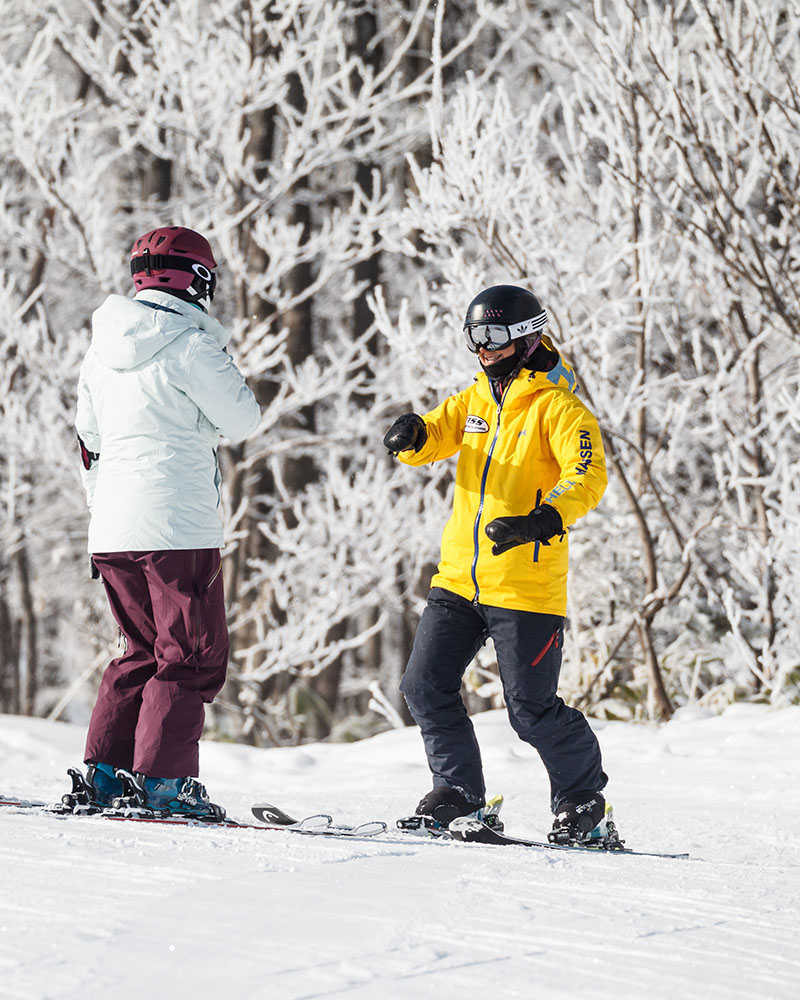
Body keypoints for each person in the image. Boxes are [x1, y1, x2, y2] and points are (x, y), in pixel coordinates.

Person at [383, 284, 615, 846]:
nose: (481, 348)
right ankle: (458, 793)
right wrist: (414, 434)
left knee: (531, 712)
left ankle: (584, 804)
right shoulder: (476, 400)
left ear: (525, 336)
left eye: (490, 336)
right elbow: (438, 433)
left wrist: (543, 519)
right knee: (423, 685)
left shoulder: (561, 409)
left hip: (524, 583)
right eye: (473, 337)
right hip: (460, 578)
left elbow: (588, 477)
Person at [72, 226, 260, 818]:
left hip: (112, 528)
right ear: (196, 279)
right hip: (177, 525)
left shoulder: (99, 350)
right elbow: (244, 418)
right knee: (190, 656)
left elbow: (89, 443)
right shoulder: (189, 345)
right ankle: (163, 783)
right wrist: (196, 424)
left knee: (139, 652)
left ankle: (104, 775)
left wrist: (100, 514)